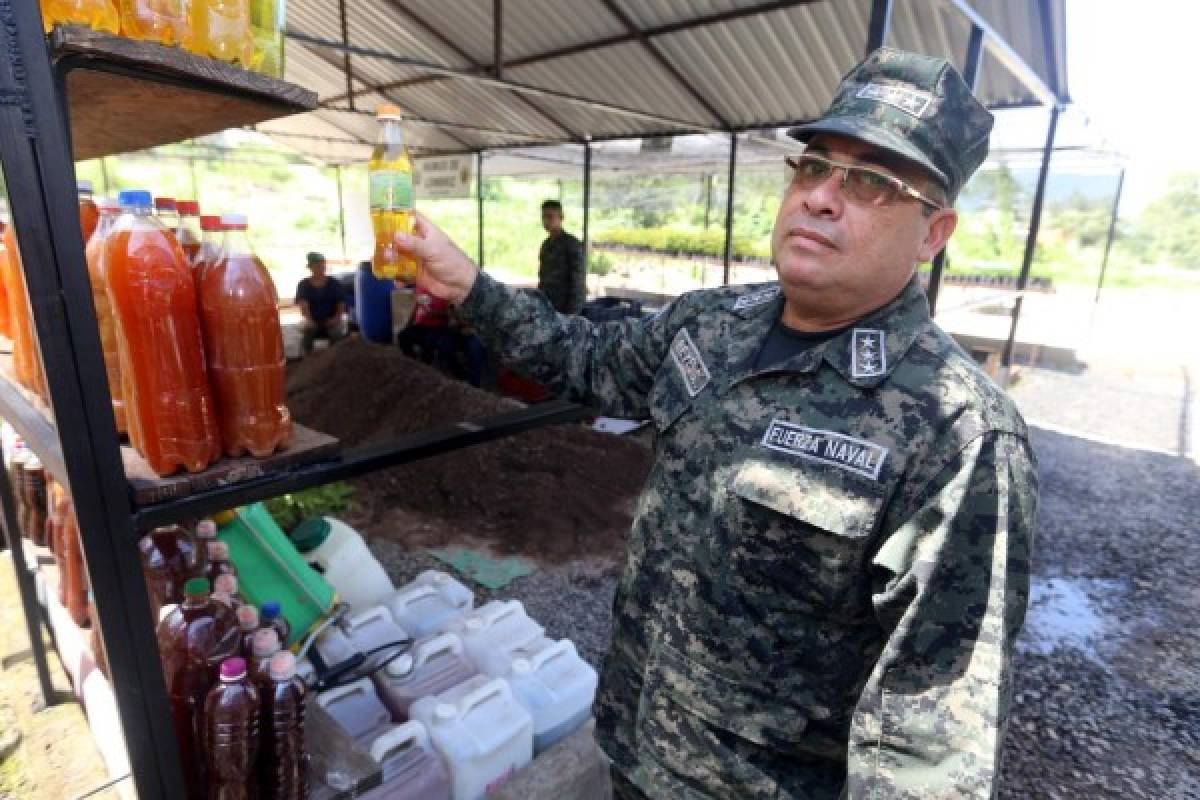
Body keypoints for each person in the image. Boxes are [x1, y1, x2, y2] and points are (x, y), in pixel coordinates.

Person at [395, 48, 1038, 800]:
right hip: (636, 749)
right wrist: (468, 285)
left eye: (871, 182)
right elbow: (587, 360)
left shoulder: (956, 432)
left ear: (934, 233)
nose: (823, 197)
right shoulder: (712, 324)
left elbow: (930, 737)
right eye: (813, 166)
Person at [537, 199, 586, 314]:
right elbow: (543, 278)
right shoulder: (546, 245)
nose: (546, 221)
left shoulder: (571, 244)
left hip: (566, 308)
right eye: (543, 217)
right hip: (547, 306)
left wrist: (573, 314)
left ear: (561, 217)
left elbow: (578, 281)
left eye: (550, 217)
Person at [295, 251, 346, 354]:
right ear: (310, 268)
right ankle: (307, 357)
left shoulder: (334, 283)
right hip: (312, 318)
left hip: (331, 318)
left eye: (322, 265)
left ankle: (335, 357)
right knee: (307, 331)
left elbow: (341, 303)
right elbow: (303, 305)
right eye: (317, 266)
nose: (320, 268)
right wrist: (309, 319)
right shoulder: (303, 284)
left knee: (337, 333)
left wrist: (336, 318)